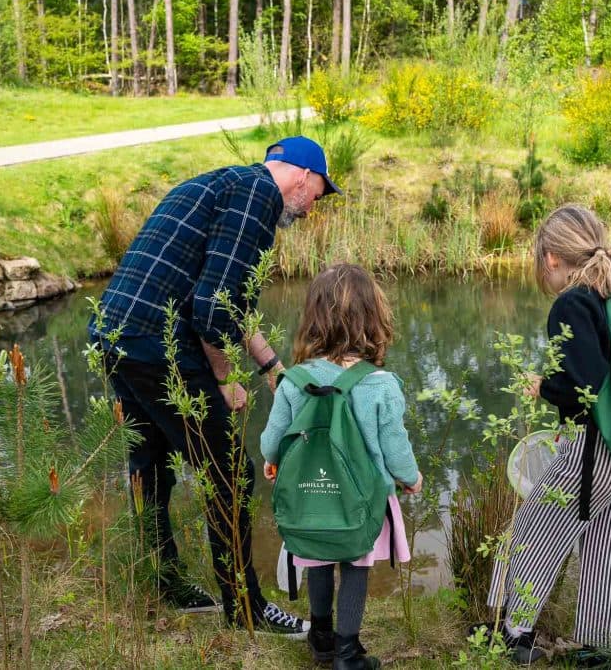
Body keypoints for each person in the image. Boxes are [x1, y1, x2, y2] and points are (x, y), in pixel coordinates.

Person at [89, 136, 341, 635]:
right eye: (319, 192)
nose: (314, 207)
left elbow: (220, 296)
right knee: (230, 472)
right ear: (300, 175)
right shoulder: (259, 198)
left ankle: (165, 581)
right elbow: (214, 309)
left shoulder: (222, 184)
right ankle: (244, 606)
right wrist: (223, 382)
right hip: (157, 344)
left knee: (150, 467)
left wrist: (271, 367)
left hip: (116, 334)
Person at [485, 204, 611, 667]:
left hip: (597, 447)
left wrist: (544, 388)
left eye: (541, 262)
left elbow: (585, 387)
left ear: (552, 258)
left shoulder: (573, 302)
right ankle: (605, 647)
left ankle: (513, 635)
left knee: (533, 530)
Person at [260, 264, 423, 669]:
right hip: (361, 504)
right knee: (355, 565)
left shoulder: (294, 380)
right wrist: (410, 478)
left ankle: (320, 638)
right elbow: (395, 448)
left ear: (314, 318)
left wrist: (272, 460)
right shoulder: (381, 384)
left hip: (311, 501)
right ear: (374, 318)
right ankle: (348, 653)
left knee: (316, 558)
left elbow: (271, 440)